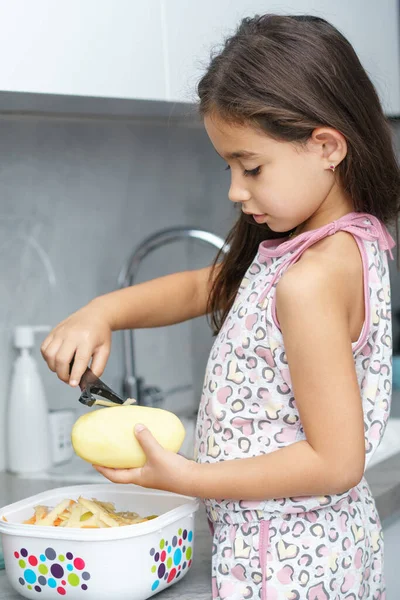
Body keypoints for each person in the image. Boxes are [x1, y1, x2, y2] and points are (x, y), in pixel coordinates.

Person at [41, 13, 400, 600]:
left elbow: (337, 462)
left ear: (327, 146)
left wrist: (192, 478)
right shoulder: (330, 245)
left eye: (251, 166)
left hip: (288, 565)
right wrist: (102, 311)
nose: (236, 189)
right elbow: (201, 286)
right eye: (229, 167)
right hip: (314, 553)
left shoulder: (309, 280)